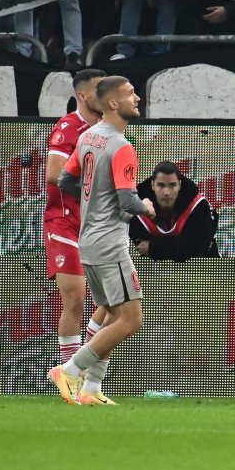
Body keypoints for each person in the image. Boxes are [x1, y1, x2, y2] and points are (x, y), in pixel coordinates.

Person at [49, 76, 156, 405]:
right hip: (110, 242)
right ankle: (69, 370)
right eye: (130, 93)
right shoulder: (122, 146)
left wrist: (92, 200)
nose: (137, 98)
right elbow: (127, 202)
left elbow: (66, 180)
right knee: (132, 319)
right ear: (113, 103)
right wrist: (147, 207)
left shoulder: (89, 137)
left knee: (110, 312)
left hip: (88, 238)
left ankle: (92, 388)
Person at [44, 69, 108, 376]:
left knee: (113, 301)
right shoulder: (69, 126)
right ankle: (74, 375)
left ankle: (79, 366)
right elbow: (54, 175)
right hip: (65, 222)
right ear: (82, 95)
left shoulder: (108, 128)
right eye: (100, 90)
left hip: (97, 225)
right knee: (75, 297)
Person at [128, 161, 221, 261]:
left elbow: (197, 248)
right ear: (152, 185)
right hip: (156, 272)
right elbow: (141, 246)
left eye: (172, 185)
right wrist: (179, 245)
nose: (167, 192)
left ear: (180, 185)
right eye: (161, 185)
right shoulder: (136, 209)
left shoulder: (199, 206)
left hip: (203, 270)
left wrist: (154, 248)